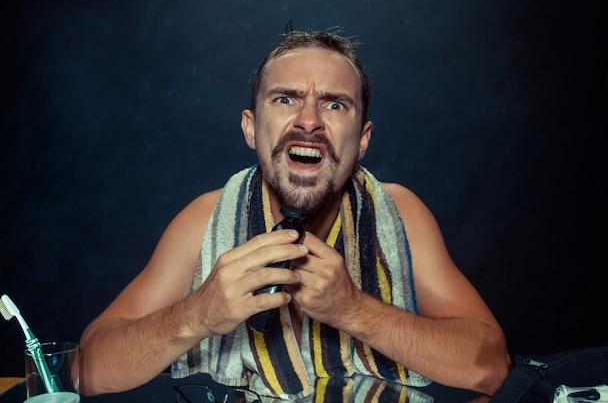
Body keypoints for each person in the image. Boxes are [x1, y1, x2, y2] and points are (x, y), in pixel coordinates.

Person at [79, 30, 511, 399]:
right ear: (251, 127)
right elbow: (89, 370)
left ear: (362, 139)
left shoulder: (400, 213)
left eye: (335, 104)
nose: (309, 121)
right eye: (285, 99)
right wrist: (198, 314)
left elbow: (491, 365)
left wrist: (354, 310)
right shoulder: (203, 221)